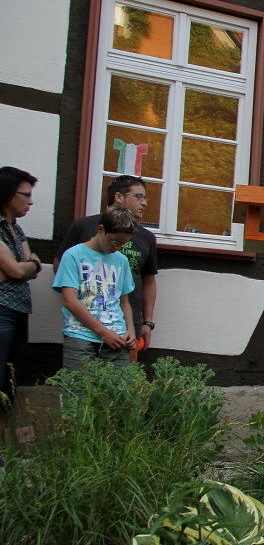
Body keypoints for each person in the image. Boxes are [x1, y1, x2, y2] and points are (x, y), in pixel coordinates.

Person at [55, 175, 158, 360]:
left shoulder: (145, 237)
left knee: (120, 382)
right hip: (82, 327)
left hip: (126, 323)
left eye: (145, 198)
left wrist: (146, 322)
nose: (144, 203)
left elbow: (149, 281)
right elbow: (61, 269)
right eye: (139, 196)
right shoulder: (83, 226)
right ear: (119, 197)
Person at [53, 207, 138, 370]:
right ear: (101, 229)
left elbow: (124, 301)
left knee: (119, 392)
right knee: (79, 391)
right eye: (115, 241)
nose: (117, 248)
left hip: (117, 337)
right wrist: (103, 332)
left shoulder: (121, 260)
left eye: (123, 244)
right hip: (80, 336)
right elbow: (70, 301)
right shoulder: (73, 255)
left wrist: (131, 330)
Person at [0, 167, 42, 408]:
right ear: (7, 194)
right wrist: (24, 267)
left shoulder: (15, 228)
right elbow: (18, 270)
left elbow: (31, 266)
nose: (31, 201)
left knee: (13, 372)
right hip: (2, 308)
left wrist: (30, 265)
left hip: (18, 310)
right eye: (25, 195)